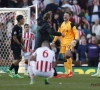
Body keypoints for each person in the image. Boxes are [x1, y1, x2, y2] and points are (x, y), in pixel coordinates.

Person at [52, 12, 79, 77]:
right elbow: (58, 34)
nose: (65, 16)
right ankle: (66, 72)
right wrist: (53, 41)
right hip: (63, 43)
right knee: (64, 58)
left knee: (67, 55)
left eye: (66, 15)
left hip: (69, 42)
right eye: (64, 15)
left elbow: (76, 33)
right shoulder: (61, 24)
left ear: (69, 17)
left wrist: (75, 40)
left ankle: (71, 71)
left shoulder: (72, 24)